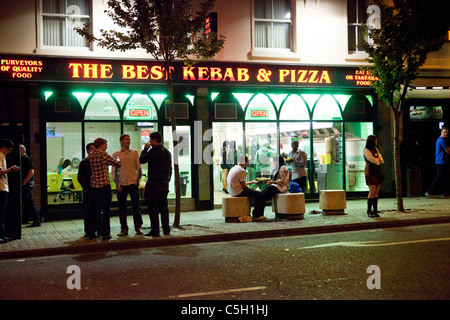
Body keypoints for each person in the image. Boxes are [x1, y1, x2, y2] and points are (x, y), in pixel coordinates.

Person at [86, 138, 121, 240]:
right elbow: (116, 163)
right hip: (104, 186)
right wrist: (118, 159)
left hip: (94, 187)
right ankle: (105, 233)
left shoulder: (90, 155)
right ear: (101, 145)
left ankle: (92, 233)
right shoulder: (103, 154)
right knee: (106, 211)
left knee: (94, 210)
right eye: (105, 145)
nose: (107, 147)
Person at [140, 132, 172, 237]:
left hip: (153, 185)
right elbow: (170, 170)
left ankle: (155, 230)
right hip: (164, 185)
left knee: (153, 208)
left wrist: (145, 149)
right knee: (164, 208)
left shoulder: (153, 151)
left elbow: (142, 160)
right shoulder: (167, 152)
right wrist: (167, 180)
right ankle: (166, 229)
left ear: (154, 140)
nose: (149, 142)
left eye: (150, 139)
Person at [112, 134, 143, 236]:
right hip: (122, 184)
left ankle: (138, 227)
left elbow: (139, 168)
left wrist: (137, 180)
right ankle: (124, 228)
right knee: (122, 208)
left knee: (136, 207)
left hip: (132, 183)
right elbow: (114, 171)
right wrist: (117, 184)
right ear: (121, 141)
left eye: (129, 139)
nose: (128, 141)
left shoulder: (134, 153)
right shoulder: (116, 154)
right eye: (126, 139)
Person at [253, 156, 290, 221]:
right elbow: (274, 179)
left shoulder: (283, 168)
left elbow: (283, 181)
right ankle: (258, 214)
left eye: (275, 161)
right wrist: (267, 179)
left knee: (263, 195)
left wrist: (272, 182)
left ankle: (258, 214)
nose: (274, 162)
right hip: (275, 186)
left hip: (280, 187)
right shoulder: (276, 168)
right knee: (261, 195)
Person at [227, 155, 263, 220]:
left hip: (233, 191)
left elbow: (239, 183)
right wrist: (250, 189)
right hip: (238, 192)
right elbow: (243, 186)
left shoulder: (234, 168)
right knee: (260, 194)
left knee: (254, 193)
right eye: (247, 161)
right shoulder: (241, 170)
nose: (248, 163)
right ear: (245, 162)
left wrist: (251, 182)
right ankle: (256, 215)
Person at [0, 139, 20, 243]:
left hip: (4, 187)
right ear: (4, 147)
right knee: (1, 213)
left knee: (2, 213)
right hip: (1, 187)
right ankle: (1, 236)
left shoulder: (2, 156)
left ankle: (2, 235)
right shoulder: (0, 156)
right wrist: (11, 169)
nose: (10, 151)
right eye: (9, 149)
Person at [20, 145, 41, 228]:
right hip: (28, 184)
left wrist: (24, 182)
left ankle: (34, 220)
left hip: (27, 184)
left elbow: (31, 172)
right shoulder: (25, 158)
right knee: (30, 202)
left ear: (21, 150)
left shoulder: (26, 159)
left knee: (23, 202)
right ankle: (36, 220)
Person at [426, 127, 450, 198]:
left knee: (444, 178)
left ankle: (445, 193)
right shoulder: (441, 140)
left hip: (442, 161)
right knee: (439, 177)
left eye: (447, 133)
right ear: (441, 132)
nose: (446, 134)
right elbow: (448, 151)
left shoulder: (441, 140)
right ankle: (430, 191)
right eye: (444, 132)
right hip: (441, 161)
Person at [77, 143, 95, 237]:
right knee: (88, 211)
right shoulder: (84, 162)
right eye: (92, 148)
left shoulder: (97, 161)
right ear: (88, 150)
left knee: (96, 210)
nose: (93, 150)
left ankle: (96, 230)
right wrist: (85, 187)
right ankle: (88, 231)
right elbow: (80, 177)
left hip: (96, 188)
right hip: (89, 189)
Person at [363, 135, 384, 218]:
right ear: (371, 141)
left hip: (377, 171)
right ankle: (369, 210)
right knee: (372, 190)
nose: (376, 142)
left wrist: (378, 159)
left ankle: (375, 210)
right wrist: (377, 159)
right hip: (370, 171)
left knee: (376, 191)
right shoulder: (366, 150)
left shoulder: (375, 149)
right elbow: (373, 160)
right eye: (375, 140)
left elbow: (381, 159)